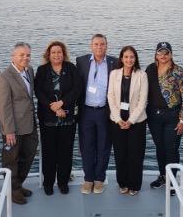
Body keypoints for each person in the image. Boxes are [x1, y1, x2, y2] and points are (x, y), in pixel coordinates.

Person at [34, 41, 81, 195]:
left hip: (67, 117)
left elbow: (77, 89)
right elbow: (38, 91)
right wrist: (53, 107)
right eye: (53, 52)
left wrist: (61, 103)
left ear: (63, 53)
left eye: (59, 52)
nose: (56, 55)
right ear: (48, 54)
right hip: (48, 118)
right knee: (49, 152)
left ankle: (63, 182)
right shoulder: (42, 70)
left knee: (65, 152)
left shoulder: (71, 68)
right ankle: (48, 182)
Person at [0, 42, 39, 205]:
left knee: (28, 155)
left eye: (28, 55)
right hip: (13, 128)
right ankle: (12, 190)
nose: (25, 58)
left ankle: (18, 185)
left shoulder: (29, 71)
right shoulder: (4, 78)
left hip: (30, 124)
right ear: (13, 56)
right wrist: (9, 131)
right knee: (11, 160)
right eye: (21, 55)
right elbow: (3, 107)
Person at [76, 34, 118, 194]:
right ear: (91, 46)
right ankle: (88, 179)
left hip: (105, 112)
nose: (99, 47)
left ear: (107, 46)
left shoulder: (115, 62)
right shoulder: (81, 61)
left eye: (102, 44)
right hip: (86, 111)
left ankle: (99, 179)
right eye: (96, 44)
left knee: (104, 147)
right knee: (86, 147)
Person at [107, 46, 148, 196]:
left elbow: (142, 101)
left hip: (137, 122)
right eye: (126, 57)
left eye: (132, 57)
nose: (129, 60)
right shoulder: (114, 74)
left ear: (135, 58)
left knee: (135, 155)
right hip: (117, 121)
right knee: (120, 154)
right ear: (121, 58)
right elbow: (110, 97)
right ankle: (123, 183)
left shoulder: (142, 75)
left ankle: (134, 185)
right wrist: (118, 119)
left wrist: (130, 121)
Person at [145, 42, 183, 191]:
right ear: (156, 55)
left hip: (172, 116)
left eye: (166, 53)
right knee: (160, 148)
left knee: (171, 149)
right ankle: (163, 176)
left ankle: (173, 181)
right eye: (160, 52)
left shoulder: (178, 71)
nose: (163, 55)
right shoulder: (150, 69)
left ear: (171, 54)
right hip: (154, 116)